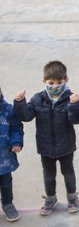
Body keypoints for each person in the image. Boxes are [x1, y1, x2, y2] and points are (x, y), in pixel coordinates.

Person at [14, 61, 79, 216]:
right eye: (51, 83)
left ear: (66, 79)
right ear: (43, 81)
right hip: (45, 146)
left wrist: (75, 104)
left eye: (59, 82)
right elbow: (26, 116)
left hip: (65, 145)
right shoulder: (38, 98)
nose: (55, 86)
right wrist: (19, 103)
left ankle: (72, 198)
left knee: (68, 172)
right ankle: (51, 199)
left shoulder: (70, 98)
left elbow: (75, 120)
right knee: (48, 174)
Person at [0, 84, 23, 222]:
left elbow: (16, 128)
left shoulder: (8, 110)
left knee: (6, 183)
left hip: (4, 158)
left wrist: (16, 142)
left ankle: (7, 204)